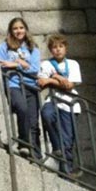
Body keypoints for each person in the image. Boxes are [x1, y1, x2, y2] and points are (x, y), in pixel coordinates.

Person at [0, 17, 41, 158]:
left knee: (33, 122)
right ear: (11, 31)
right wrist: (23, 66)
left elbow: (34, 69)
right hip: (13, 84)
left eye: (21, 28)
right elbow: (2, 65)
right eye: (15, 28)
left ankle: (36, 155)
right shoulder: (5, 47)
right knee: (22, 109)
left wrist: (17, 65)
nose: (19, 31)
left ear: (26, 29)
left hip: (30, 86)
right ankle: (23, 142)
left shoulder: (32, 47)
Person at [38, 34, 82, 174]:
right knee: (46, 114)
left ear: (66, 48)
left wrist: (53, 78)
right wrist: (57, 80)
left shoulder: (73, 64)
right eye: (54, 47)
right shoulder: (46, 64)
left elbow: (69, 85)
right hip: (54, 100)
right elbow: (41, 82)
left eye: (61, 47)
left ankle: (66, 171)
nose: (58, 50)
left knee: (68, 140)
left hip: (69, 104)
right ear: (51, 50)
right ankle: (56, 146)